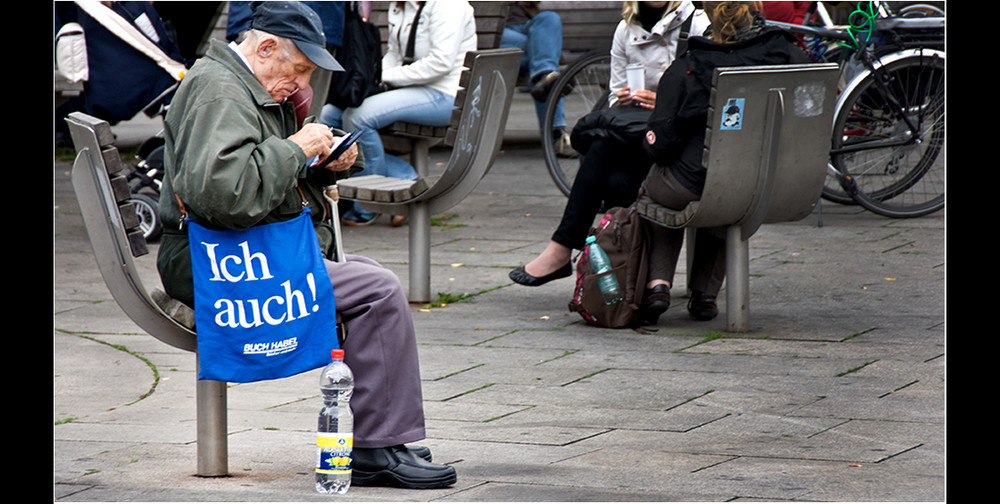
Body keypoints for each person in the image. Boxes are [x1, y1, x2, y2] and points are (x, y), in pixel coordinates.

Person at [154, 1, 457, 489]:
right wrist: (299, 148)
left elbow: (247, 172)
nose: (299, 83)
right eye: (297, 70)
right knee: (376, 289)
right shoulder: (219, 92)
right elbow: (224, 195)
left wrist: (324, 158)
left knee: (366, 275)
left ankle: (384, 437)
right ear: (266, 47)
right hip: (213, 262)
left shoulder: (237, 81)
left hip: (238, 251)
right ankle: (376, 447)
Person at [509, 1, 709, 288]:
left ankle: (563, 249)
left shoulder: (698, 24)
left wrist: (664, 105)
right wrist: (625, 99)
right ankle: (622, 275)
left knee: (605, 156)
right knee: (611, 168)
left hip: (675, 150)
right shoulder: (625, 29)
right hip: (637, 139)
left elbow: (706, 100)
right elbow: (615, 97)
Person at [638, 1, 810, 323]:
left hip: (693, 182)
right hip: (767, 184)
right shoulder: (788, 53)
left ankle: (658, 284)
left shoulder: (691, 63)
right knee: (727, 189)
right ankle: (705, 295)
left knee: (660, 188)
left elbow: (661, 144)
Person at [320, 0, 477, 227]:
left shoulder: (447, 5)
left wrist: (386, 77)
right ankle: (404, 176)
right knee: (329, 115)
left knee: (358, 117)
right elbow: (394, 53)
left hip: (446, 94)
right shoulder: (400, 4)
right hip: (410, 87)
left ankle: (367, 204)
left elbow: (440, 63)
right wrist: (373, 78)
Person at [500, 2, 575, 157]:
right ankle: (555, 135)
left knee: (550, 18)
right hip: (496, 31)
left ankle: (545, 75)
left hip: (529, 27)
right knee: (543, 53)